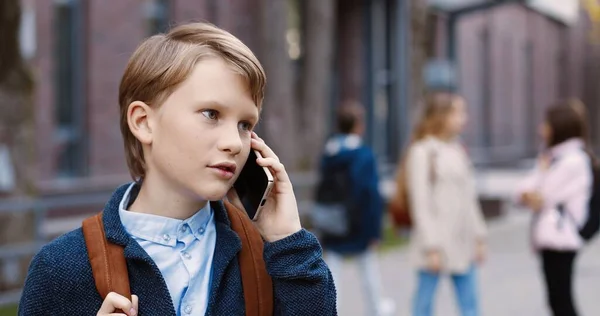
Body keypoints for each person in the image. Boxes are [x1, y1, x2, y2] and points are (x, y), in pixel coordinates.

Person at [18, 22, 336, 316]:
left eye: (245, 124)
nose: (235, 144)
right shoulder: (62, 268)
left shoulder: (273, 258)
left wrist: (288, 243)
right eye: (211, 114)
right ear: (143, 122)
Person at [404, 92, 487, 316]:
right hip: (435, 241)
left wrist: (479, 236)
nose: (464, 118)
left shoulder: (458, 150)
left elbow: (470, 197)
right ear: (441, 116)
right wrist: (431, 246)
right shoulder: (422, 152)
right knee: (424, 304)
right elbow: (419, 202)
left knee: (470, 304)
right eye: (458, 113)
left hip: (462, 239)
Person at [312, 101, 394, 316]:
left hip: (333, 220)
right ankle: (376, 308)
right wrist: (375, 229)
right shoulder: (363, 156)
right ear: (358, 126)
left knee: (333, 270)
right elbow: (371, 194)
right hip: (359, 221)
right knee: (368, 270)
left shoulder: (328, 155)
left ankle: (330, 310)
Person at [515, 100, 593, 316]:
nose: (542, 128)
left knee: (561, 301)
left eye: (547, 124)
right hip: (551, 237)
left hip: (562, 237)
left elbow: (542, 196)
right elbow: (521, 193)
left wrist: (539, 175)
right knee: (556, 299)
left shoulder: (572, 161)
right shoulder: (553, 157)